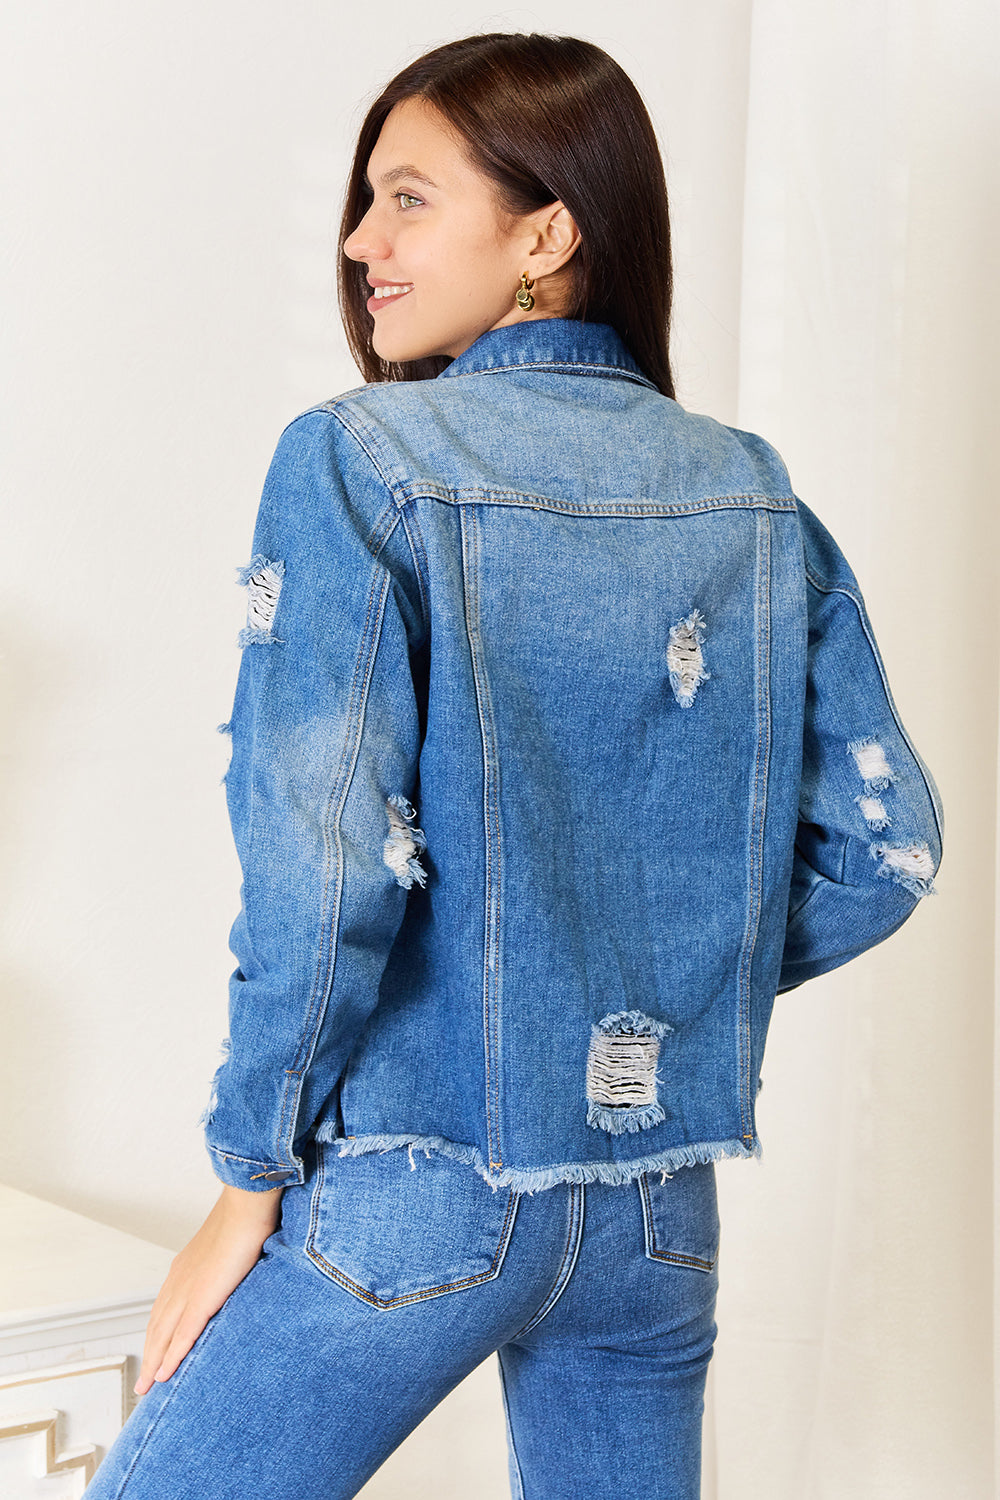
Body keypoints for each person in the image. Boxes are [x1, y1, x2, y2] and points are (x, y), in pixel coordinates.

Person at [84, 30, 943, 1500]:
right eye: (364, 203)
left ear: (547, 230)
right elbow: (887, 847)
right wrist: (660, 978)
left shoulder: (362, 457)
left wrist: (246, 1181)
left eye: (409, 199)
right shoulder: (748, 488)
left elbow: (324, 860)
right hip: (655, 1211)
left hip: (417, 1191)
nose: (362, 241)